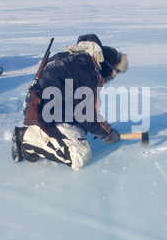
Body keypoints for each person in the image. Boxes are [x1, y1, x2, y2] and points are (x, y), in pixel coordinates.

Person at [11, 34, 128, 170]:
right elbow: (86, 116)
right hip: (44, 115)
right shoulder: (89, 71)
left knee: (80, 131)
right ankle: (27, 138)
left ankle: (40, 133)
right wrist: (106, 133)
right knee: (80, 156)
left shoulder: (68, 58)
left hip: (36, 109)